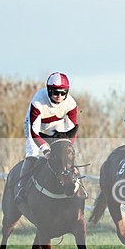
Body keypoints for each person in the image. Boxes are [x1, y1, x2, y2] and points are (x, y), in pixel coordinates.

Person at [15, 72, 78, 202]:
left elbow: (71, 132)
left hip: (56, 124)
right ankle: (21, 188)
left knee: (67, 152)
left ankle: (78, 184)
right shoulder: (38, 101)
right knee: (32, 152)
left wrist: (67, 148)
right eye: (55, 93)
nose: (59, 96)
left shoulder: (71, 104)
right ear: (49, 91)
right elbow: (35, 132)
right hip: (36, 126)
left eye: (62, 93)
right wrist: (46, 150)